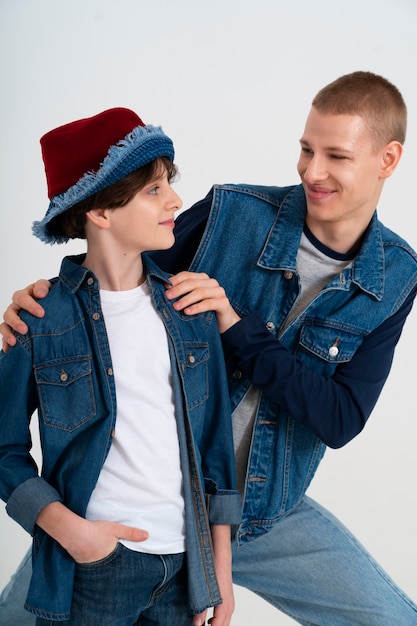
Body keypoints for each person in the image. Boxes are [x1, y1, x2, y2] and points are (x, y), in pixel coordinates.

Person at [2, 70, 417, 625]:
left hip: (265, 514)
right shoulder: (231, 214)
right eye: (305, 149)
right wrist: (44, 297)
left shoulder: (397, 276)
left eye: (337, 157)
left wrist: (236, 326)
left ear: (387, 160)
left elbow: (339, 419)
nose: (312, 172)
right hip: (134, 508)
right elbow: (122, 269)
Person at [0, 107, 241, 626]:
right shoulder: (41, 319)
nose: (175, 200)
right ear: (101, 212)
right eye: (153, 190)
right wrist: (69, 530)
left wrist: (217, 569)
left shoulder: (189, 312)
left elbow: (216, 447)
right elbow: (4, 449)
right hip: (92, 569)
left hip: (183, 569)